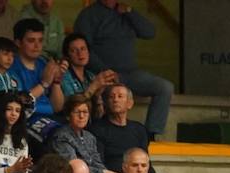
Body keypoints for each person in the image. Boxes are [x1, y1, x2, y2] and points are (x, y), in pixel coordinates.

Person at [73, 0, 172, 139]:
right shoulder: (89, 15)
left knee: (165, 87)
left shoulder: (126, 12)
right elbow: (84, 50)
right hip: (103, 75)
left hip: (131, 73)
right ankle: (108, 136)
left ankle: (150, 134)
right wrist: (105, 71)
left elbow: (150, 32)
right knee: (115, 97)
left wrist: (130, 12)